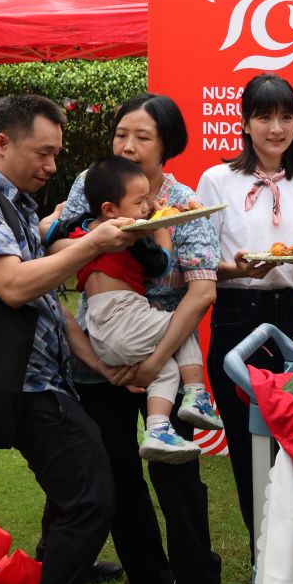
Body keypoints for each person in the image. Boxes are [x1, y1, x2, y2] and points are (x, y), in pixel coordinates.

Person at [0, 94, 138, 584]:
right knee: (91, 494)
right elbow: (14, 285)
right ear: (1, 144)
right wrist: (92, 246)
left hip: (50, 374)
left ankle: (57, 562)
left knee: (76, 478)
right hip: (18, 382)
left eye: (56, 154)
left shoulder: (21, 205)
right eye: (45, 153)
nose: (54, 166)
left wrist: (96, 364)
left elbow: (48, 301)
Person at [59, 93, 230, 584]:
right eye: (120, 135)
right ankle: (149, 582)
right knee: (115, 481)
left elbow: (201, 291)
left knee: (177, 478)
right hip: (100, 359)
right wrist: (103, 364)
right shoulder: (95, 183)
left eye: (142, 137)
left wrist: (153, 361)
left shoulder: (183, 203)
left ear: (168, 145)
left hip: (165, 353)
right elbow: (60, 243)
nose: (127, 146)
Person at [197, 73, 293, 564]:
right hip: (236, 315)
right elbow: (204, 259)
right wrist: (237, 267)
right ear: (245, 122)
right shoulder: (217, 179)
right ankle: (262, 557)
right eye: (264, 116)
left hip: (291, 317)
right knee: (249, 442)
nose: (276, 127)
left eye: (286, 116)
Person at [52, 156, 223, 464]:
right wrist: (159, 227)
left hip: (101, 333)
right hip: (124, 315)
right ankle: (197, 395)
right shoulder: (128, 236)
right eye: (140, 201)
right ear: (110, 209)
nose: (147, 207)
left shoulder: (81, 231)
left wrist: (50, 221)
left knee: (167, 370)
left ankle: (157, 430)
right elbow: (161, 264)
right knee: (180, 328)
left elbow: (50, 237)